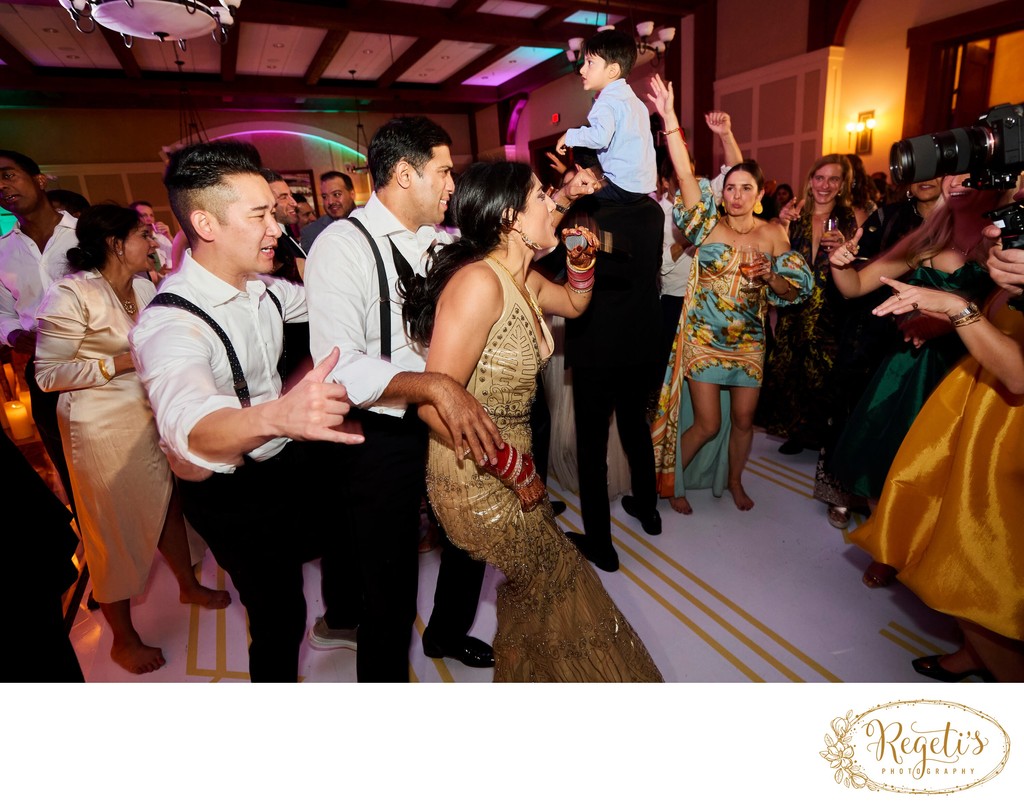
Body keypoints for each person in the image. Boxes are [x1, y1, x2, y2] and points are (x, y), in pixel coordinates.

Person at [401, 159, 662, 682]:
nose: (556, 205)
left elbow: (575, 303)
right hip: (475, 476)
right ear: (508, 217)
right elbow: (432, 404)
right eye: (543, 196)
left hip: (514, 466)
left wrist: (583, 262)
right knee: (563, 582)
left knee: (544, 590)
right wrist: (508, 467)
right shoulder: (480, 283)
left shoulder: (526, 279)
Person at [130, 140, 364, 682]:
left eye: (275, 213)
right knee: (279, 615)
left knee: (350, 527)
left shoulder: (268, 291)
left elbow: (330, 300)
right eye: (259, 215)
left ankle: (343, 615)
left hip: (288, 464)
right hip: (230, 492)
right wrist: (279, 416)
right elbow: (191, 424)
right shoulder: (170, 323)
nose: (277, 229)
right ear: (205, 223)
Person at [305, 117, 504, 681]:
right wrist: (436, 385)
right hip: (378, 431)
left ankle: (447, 630)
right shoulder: (343, 245)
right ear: (402, 174)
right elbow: (340, 362)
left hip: (438, 412)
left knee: (468, 534)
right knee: (390, 585)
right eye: (443, 172)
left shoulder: (440, 242)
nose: (451, 186)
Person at [34, 204, 231, 674]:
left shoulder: (144, 287)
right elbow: (47, 375)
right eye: (144, 234)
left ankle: (186, 583)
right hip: (100, 427)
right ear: (116, 244)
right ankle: (123, 637)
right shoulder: (70, 295)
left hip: (149, 416)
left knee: (169, 505)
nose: (154, 242)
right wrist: (122, 363)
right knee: (112, 529)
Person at [826, 173, 1000, 588]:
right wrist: (839, 267)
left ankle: (936, 554)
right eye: (950, 168)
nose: (956, 178)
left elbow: (1002, 314)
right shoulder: (926, 240)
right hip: (912, 366)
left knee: (950, 472)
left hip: (972, 367)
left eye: (966, 167)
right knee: (885, 458)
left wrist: (946, 322)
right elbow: (855, 287)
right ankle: (888, 548)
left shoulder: (1000, 239)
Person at [648, 75, 812, 514]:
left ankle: (735, 481)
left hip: (750, 342)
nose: (735, 195)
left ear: (759, 195)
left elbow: (792, 291)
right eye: (730, 188)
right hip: (704, 337)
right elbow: (683, 172)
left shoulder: (775, 235)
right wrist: (669, 118)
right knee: (707, 422)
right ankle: (668, 484)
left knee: (743, 423)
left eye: (745, 189)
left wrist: (769, 278)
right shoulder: (708, 225)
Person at [848, 273, 1024, 682]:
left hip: (1009, 432)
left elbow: (1018, 373)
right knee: (950, 541)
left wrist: (955, 308)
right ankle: (973, 654)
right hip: (984, 409)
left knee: (983, 569)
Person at [813, 177, 943, 530]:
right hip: (876, 328)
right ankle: (845, 495)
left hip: (953, 352)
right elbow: (857, 278)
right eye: (920, 170)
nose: (929, 178)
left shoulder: (980, 228)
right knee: (858, 410)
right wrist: (841, 259)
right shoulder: (891, 219)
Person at [757, 154, 857, 454]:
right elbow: (775, 252)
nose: (825, 185)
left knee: (827, 372)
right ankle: (797, 432)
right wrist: (782, 223)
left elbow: (865, 262)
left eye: (833, 179)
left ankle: (824, 433)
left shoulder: (851, 219)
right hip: (795, 306)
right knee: (792, 369)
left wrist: (846, 247)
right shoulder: (794, 215)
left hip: (832, 307)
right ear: (810, 181)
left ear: (842, 185)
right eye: (819, 178)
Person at [0, 149, 78, 516]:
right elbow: (2, 313)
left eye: (8, 174)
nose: (1, 186)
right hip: (45, 370)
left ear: (40, 179)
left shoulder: (86, 234)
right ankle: (100, 549)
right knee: (70, 465)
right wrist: (16, 336)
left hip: (106, 363)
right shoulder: (3, 252)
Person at [555, 29, 656, 203]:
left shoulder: (606, 101)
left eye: (590, 63)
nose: (582, 70)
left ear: (612, 70)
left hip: (621, 185)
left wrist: (569, 135)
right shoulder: (635, 101)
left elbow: (599, 138)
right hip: (643, 185)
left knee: (578, 200)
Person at [301, 170, 355, 252]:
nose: (330, 202)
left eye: (336, 194)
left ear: (352, 194)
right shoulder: (311, 233)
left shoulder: (370, 221)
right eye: (324, 197)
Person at [128, 200, 175, 273]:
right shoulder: (133, 243)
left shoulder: (162, 238)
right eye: (144, 215)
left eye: (151, 215)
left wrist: (169, 237)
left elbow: (180, 258)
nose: (149, 219)